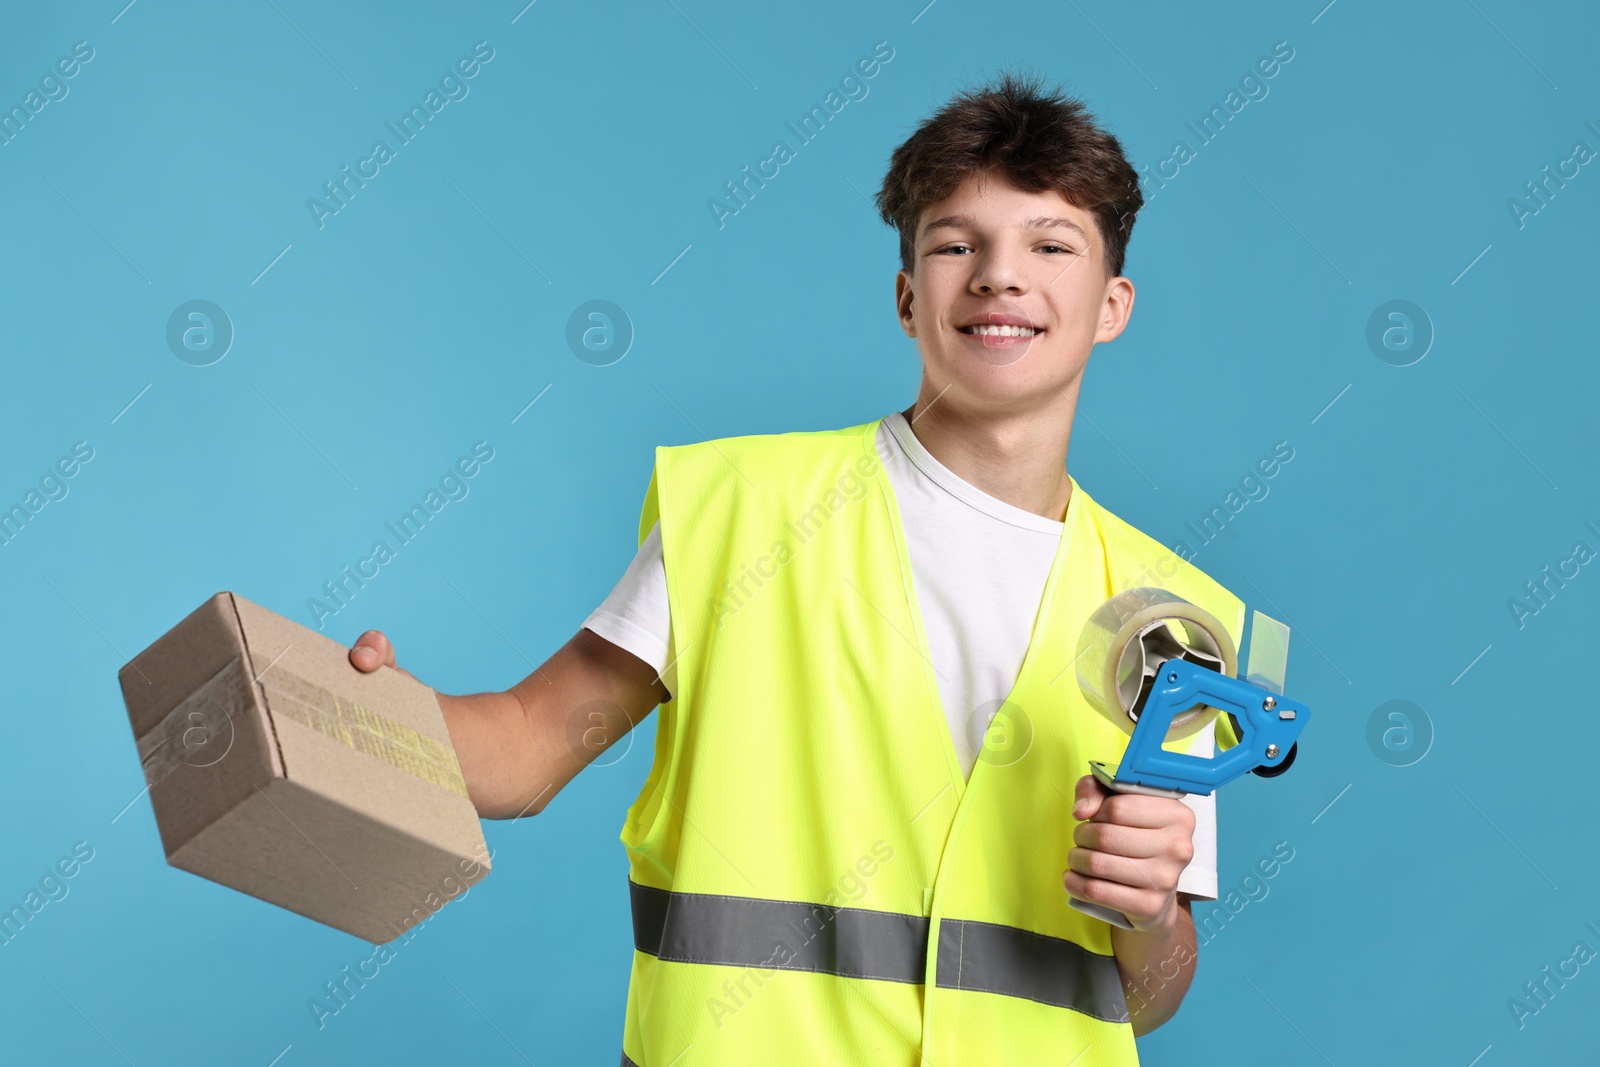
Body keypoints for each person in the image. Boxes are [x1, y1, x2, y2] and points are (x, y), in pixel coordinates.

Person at [348, 70, 1248, 1065]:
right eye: (956, 243)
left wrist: (1151, 913)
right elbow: (524, 748)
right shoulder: (742, 510)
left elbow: (1151, 996)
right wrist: (365, 714)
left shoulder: (1169, 618)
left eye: (1049, 243)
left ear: (1111, 304)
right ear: (909, 298)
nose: (999, 274)